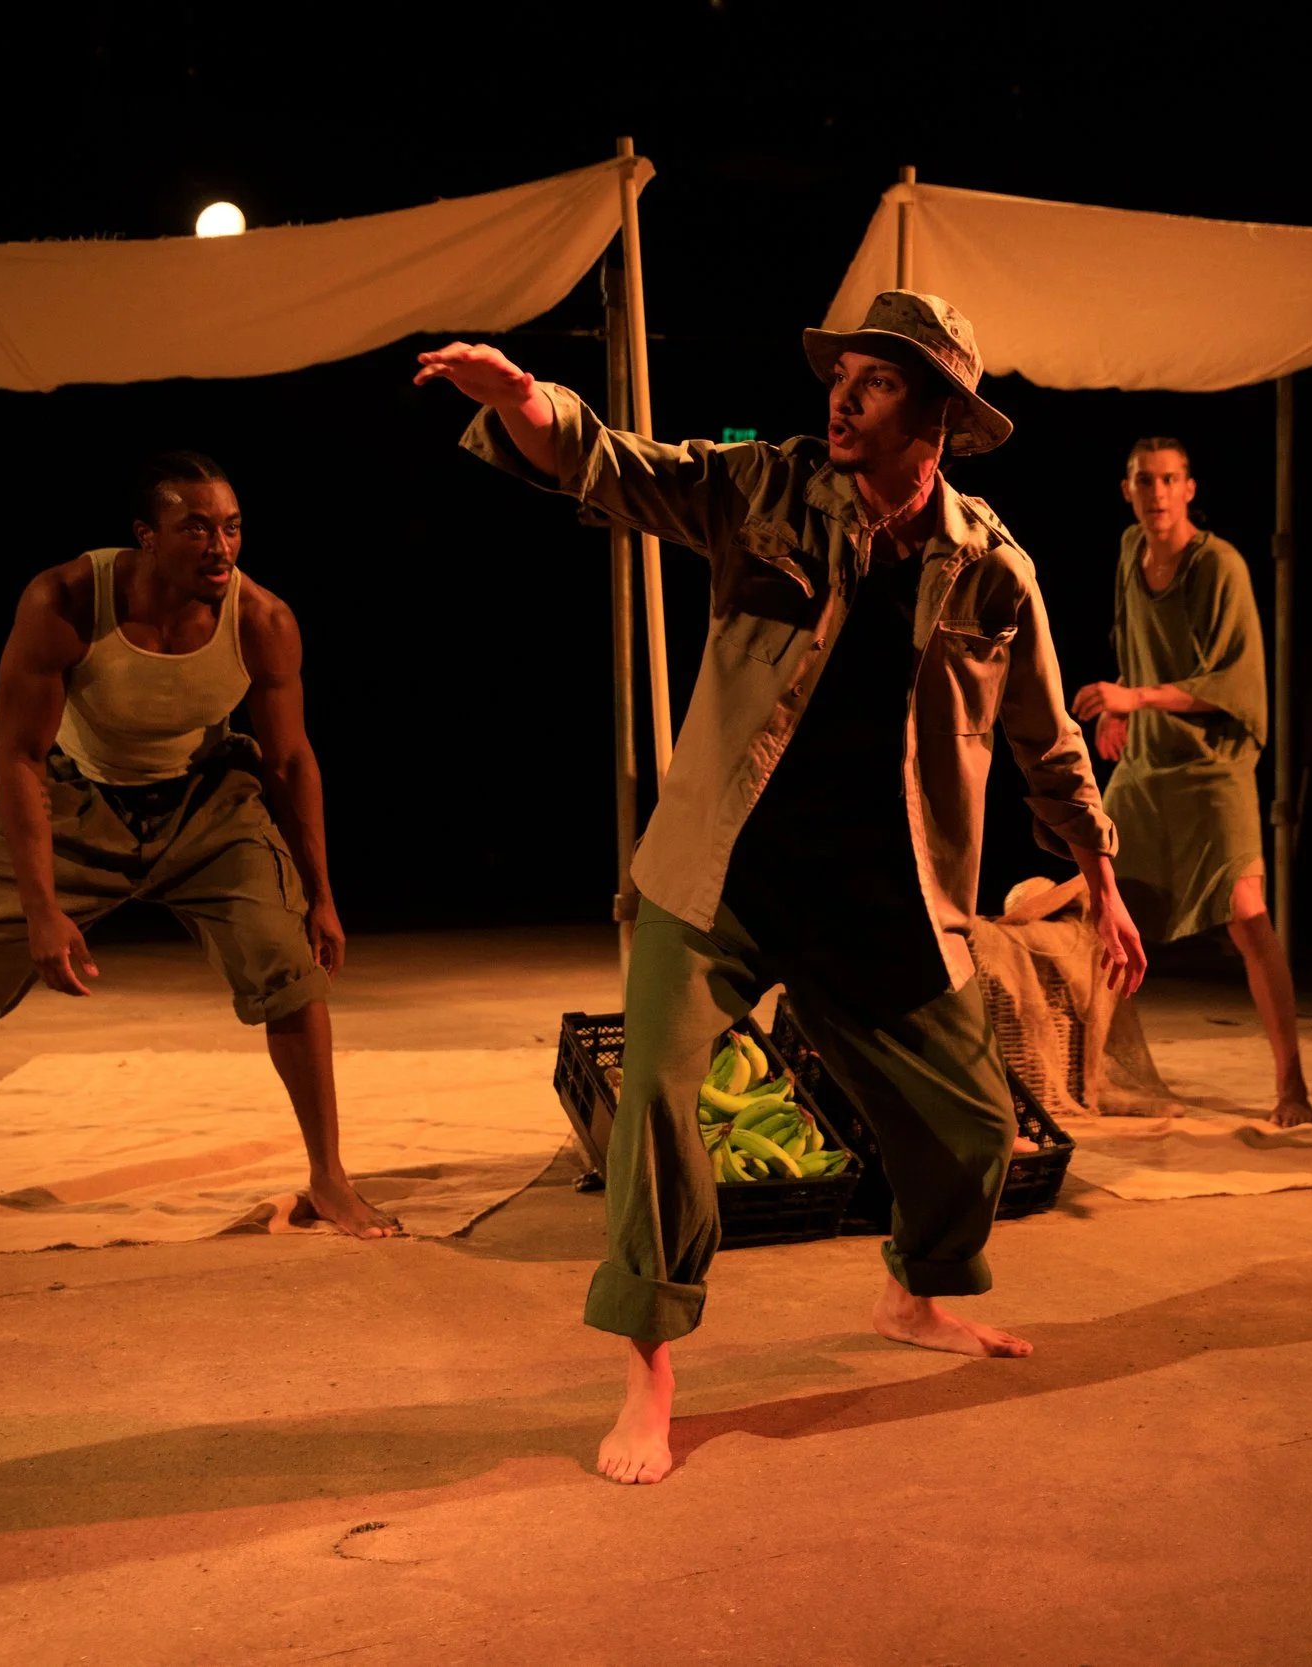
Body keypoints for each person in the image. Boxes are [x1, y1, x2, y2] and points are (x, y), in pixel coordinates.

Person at [417, 289, 1146, 1486]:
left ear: (940, 419)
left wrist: (1098, 870)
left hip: (881, 893)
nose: (842, 397)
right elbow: (615, 465)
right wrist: (523, 402)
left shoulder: (992, 571)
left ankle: (914, 1293)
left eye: (877, 381)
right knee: (652, 1093)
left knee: (972, 1131)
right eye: (841, 373)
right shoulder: (768, 490)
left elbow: (1045, 740)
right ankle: (650, 1370)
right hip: (721, 872)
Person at [0, 453, 395, 1242]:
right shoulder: (66, 600)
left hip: (205, 801)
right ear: (146, 537)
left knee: (286, 960)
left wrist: (321, 895)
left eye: (232, 528)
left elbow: (289, 760)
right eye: (197, 529)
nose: (221, 548)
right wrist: (42, 910)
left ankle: (330, 1178)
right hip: (77, 797)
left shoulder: (264, 621)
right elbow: (17, 754)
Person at [1070, 439, 1310, 1124]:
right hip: (1148, 762)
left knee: (1247, 912)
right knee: (1099, 896)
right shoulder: (1128, 550)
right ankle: (1092, 1074)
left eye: (1169, 479)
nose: (1157, 492)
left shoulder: (1219, 564)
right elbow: (1129, 636)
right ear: (1128, 490)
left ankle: (1292, 1083)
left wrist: (1132, 699)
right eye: (1144, 480)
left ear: (1189, 487)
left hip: (1212, 763)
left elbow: (1230, 682)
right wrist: (1120, 717)